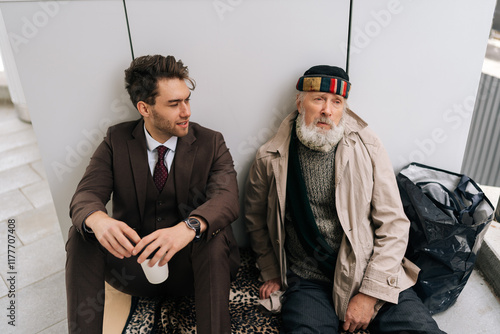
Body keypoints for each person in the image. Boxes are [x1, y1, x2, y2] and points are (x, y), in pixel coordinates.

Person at [244, 65, 446, 333]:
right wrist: (270, 269)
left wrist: (370, 293)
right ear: (300, 101)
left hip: (367, 270)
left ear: (344, 108)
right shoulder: (270, 157)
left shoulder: (368, 146)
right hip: (309, 279)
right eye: (318, 99)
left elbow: (394, 225)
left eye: (336, 102)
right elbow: (255, 219)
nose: (327, 110)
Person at [66, 55, 240, 334]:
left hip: (194, 271)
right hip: (134, 268)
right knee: (82, 233)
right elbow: (86, 193)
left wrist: (188, 227)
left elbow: (227, 198)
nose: (187, 112)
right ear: (144, 107)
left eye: (187, 100)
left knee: (213, 234)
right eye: (174, 104)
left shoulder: (211, 141)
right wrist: (98, 220)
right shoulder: (116, 141)